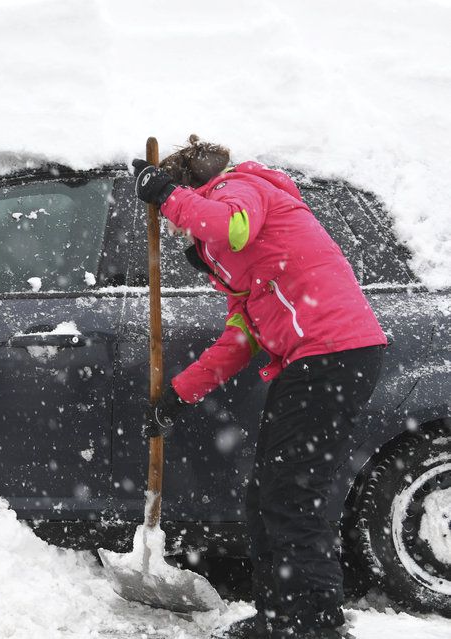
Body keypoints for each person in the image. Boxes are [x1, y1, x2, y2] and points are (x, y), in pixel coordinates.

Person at [133, 136, 386, 639]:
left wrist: (165, 195)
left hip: (333, 354)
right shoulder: (239, 264)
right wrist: (177, 397)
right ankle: (281, 615)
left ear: (196, 186)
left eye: (183, 207)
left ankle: (314, 623)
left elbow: (231, 224)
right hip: (316, 360)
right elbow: (239, 338)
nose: (178, 225)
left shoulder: (240, 186)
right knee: (266, 495)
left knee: (291, 494)